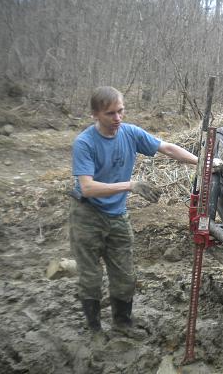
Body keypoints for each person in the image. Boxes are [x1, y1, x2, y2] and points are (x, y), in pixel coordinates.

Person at [70, 86, 198, 336]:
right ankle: (95, 330)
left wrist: (201, 161)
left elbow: (167, 147)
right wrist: (130, 185)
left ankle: (122, 323)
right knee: (91, 276)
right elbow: (87, 187)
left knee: (125, 274)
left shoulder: (130, 133)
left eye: (121, 111)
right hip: (87, 216)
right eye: (110, 114)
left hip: (117, 215)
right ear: (95, 114)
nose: (117, 118)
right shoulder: (84, 143)